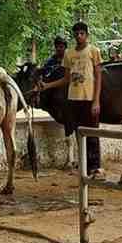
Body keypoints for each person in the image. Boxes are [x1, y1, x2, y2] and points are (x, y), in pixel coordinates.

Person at [38, 23, 104, 175]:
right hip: (73, 99)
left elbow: (98, 76)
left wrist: (96, 100)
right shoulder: (69, 54)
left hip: (89, 98)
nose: (79, 36)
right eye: (76, 34)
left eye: (82, 33)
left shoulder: (94, 51)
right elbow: (66, 79)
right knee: (79, 133)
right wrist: (47, 86)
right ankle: (84, 167)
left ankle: (95, 168)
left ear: (86, 35)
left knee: (92, 134)